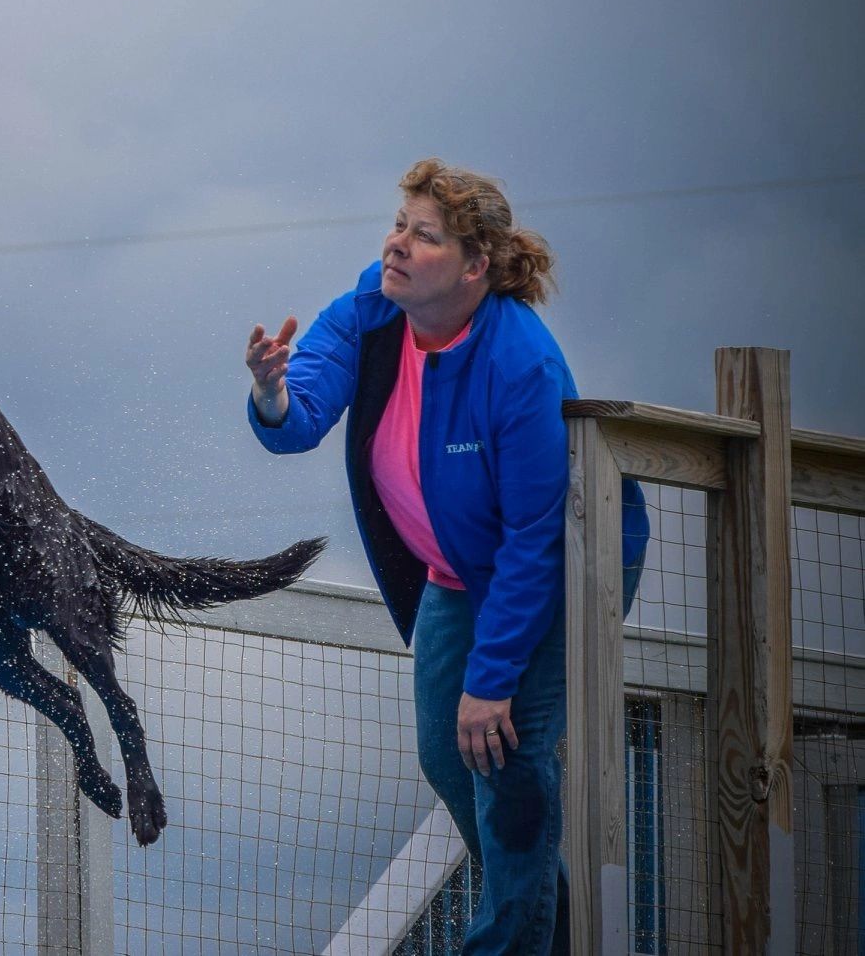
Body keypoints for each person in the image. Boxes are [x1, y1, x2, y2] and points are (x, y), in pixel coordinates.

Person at [243, 158, 646, 954]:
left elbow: (534, 537)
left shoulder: (519, 363)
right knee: (444, 753)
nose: (395, 244)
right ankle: (546, 928)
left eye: (423, 236)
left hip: (562, 564)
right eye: (398, 225)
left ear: (473, 266)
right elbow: (300, 416)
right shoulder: (372, 304)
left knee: (505, 758)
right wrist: (269, 392)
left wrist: (490, 682)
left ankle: (508, 941)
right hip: (455, 573)